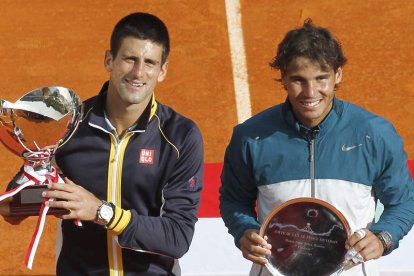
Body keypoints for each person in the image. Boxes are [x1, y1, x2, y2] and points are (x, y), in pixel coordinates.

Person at [1, 12, 204, 275]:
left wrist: (101, 212)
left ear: (162, 70)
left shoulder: (180, 136)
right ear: (109, 60)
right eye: (129, 59)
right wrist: (20, 194)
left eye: (150, 62)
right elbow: (24, 206)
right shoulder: (68, 128)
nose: (138, 72)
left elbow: (177, 237)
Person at [219, 19, 414, 276]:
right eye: (299, 80)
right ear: (284, 79)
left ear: (338, 75)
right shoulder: (251, 137)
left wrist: (383, 238)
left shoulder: (374, 134)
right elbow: (234, 200)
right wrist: (244, 230)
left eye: (321, 78)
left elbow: (403, 202)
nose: (310, 93)